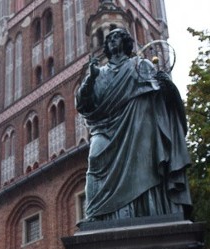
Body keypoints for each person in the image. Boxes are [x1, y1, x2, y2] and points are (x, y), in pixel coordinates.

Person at [75, 27, 191, 222]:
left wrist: (166, 85)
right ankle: (95, 213)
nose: (112, 40)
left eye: (117, 37)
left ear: (126, 42)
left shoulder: (141, 65)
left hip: (138, 123)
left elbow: (159, 96)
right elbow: (84, 105)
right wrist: (90, 79)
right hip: (105, 128)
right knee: (95, 159)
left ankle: (149, 210)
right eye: (109, 38)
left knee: (144, 163)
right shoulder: (99, 73)